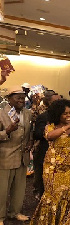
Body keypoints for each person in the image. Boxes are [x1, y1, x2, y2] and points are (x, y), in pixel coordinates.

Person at [30, 99, 70, 224]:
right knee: (54, 195)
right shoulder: (50, 127)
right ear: (57, 114)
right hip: (54, 168)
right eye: (65, 113)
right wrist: (68, 126)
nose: (68, 116)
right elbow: (50, 136)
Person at [0, 86, 32, 224]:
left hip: (22, 157)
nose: (21, 100)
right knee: (2, 191)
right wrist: (7, 131)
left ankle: (14, 212)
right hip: (5, 157)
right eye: (18, 97)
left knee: (19, 189)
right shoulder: (1, 113)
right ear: (9, 99)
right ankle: (0, 217)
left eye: (23, 98)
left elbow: (30, 132)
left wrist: (30, 142)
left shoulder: (27, 113)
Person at [32, 92, 61, 200]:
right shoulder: (43, 117)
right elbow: (37, 134)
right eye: (57, 101)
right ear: (49, 103)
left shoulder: (63, 117)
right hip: (45, 153)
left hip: (60, 155)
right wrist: (50, 131)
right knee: (43, 181)